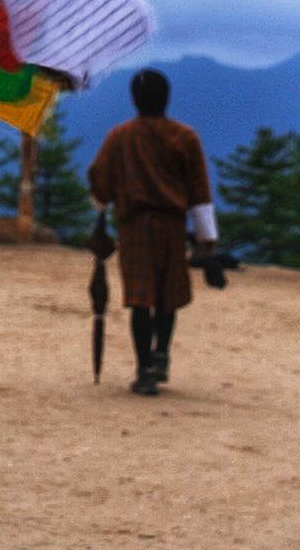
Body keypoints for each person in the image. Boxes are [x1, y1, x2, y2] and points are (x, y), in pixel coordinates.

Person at [88, 68, 218, 396]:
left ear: (134, 99)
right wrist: (207, 239)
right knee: (168, 296)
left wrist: (103, 204)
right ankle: (162, 354)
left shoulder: (120, 137)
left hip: (134, 228)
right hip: (173, 227)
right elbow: (200, 190)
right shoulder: (185, 137)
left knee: (140, 299)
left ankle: (145, 369)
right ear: (167, 98)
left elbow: (99, 177)